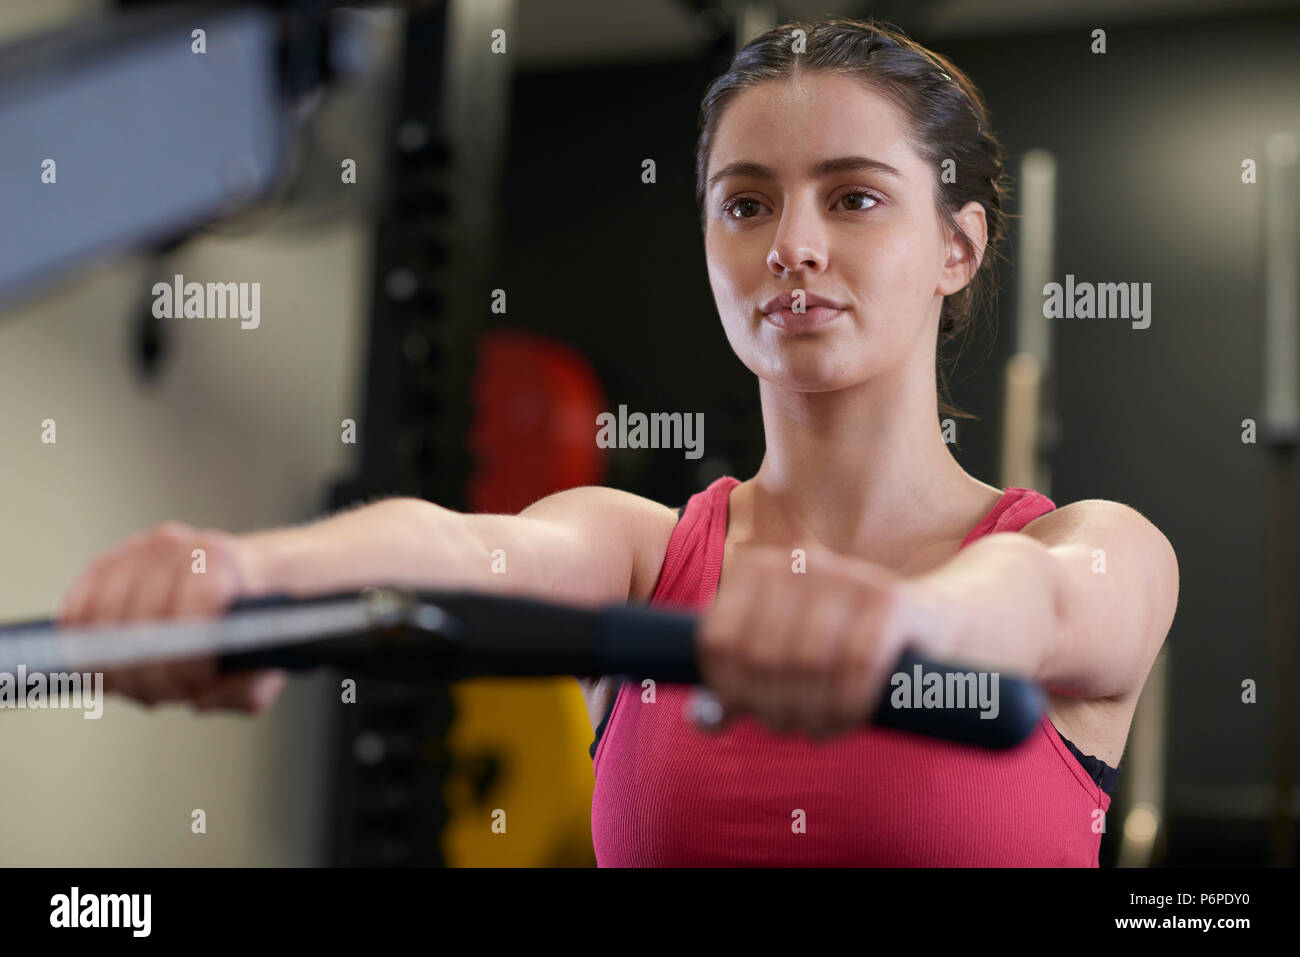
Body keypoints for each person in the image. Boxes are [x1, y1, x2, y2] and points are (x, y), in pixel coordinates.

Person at [56, 16, 1177, 865]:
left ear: (958, 247)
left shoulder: (1096, 548)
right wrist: (251, 578)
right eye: (745, 204)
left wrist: (901, 624)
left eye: (853, 199)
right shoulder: (644, 554)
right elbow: (457, 554)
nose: (791, 245)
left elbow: (1033, 600)